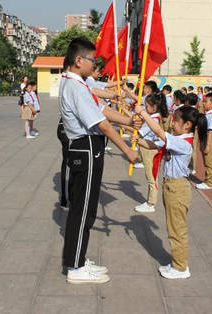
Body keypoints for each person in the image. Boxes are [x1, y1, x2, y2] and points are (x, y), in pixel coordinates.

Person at [60, 37, 139, 285]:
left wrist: (127, 121)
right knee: (83, 209)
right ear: (79, 60)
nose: (95, 64)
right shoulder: (75, 86)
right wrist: (127, 150)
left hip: (87, 148)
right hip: (86, 148)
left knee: (86, 207)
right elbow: (101, 124)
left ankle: (79, 258)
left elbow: (102, 111)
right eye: (92, 59)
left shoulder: (78, 84)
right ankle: (75, 266)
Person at [133, 105, 207, 279]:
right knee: (173, 227)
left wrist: (143, 113)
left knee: (177, 230)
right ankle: (177, 262)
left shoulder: (183, 143)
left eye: (176, 120)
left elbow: (159, 133)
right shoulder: (177, 138)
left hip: (177, 189)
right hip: (171, 187)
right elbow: (154, 144)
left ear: (187, 124)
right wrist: (138, 140)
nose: (172, 123)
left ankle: (180, 268)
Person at [134, 93, 169, 212]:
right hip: (147, 148)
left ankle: (151, 203)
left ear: (154, 107)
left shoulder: (153, 119)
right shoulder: (152, 117)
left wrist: (131, 129)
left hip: (151, 150)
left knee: (151, 177)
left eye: (146, 106)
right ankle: (150, 201)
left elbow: (139, 131)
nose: (144, 108)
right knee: (150, 176)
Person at [196, 92, 212, 190]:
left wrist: (207, 145)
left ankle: (209, 183)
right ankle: (207, 180)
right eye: (204, 101)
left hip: (209, 140)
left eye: (206, 102)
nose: (204, 103)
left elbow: (211, 131)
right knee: (206, 161)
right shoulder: (207, 114)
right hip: (205, 138)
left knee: (209, 162)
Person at [57, 62, 71, 210]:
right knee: (68, 163)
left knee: (69, 163)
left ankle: (67, 196)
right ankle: (65, 198)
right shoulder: (68, 79)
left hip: (66, 127)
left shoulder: (67, 79)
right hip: (67, 128)